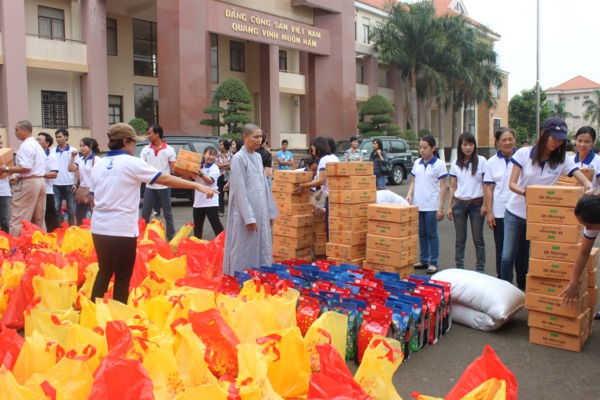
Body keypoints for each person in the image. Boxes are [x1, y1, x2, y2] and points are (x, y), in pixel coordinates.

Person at [89, 123, 216, 304]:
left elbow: (92, 197)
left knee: (104, 271)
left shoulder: (99, 164)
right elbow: (164, 178)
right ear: (125, 142)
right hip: (122, 229)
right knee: (123, 276)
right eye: (133, 142)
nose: (135, 145)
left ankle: (94, 312)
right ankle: (118, 315)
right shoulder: (131, 162)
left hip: (99, 227)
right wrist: (196, 185)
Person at [500, 118, 593, 289]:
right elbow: (511, 184)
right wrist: (527, 193)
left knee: (534, 256)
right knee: (508, 255)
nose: (558, 143)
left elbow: (582, 178)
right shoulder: (524, 153)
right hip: (515, 213)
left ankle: (526, 289)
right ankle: (505, 290)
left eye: (561, 140)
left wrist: (589, 187)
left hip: (540, 217)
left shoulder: (562, 160)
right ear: (543, 134)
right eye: (554, 138)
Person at [223, 124, 279, 275]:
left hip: (261, 210)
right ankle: (239, 278)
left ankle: (259, 275)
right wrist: (248, 217)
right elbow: (239, 190)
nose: (259, 140)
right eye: (255, 137)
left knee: (262, 244)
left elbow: (264, 185)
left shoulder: (258, 157)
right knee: (244, 247)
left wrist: (270, 212)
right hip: (245, 213)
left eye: (260, 137)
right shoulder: (238, 159)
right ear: (245, 137)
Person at [484, 127, 526, 279]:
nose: (508, 143)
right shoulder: (491, 163)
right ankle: (503, 280)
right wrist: (490, 212)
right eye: (504, 140)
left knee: (523, 248)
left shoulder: (524, 159)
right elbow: (489, 189)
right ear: (497, 142)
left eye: (510, 139)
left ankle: (523, 280)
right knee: (502, 249)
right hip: (500, 212)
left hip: (522, 211)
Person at [406, 135, 447, 274]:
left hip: (432, 205)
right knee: (422, 233)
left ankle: (433, 262)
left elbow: (443, 187)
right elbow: (413, 181)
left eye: (425, 148)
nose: (422, 150)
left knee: (432, 233)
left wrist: (441, 208)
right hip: (419, 204)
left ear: (433, 148)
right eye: (420, 148)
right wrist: (409, 194)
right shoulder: (417, 162)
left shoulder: (439, 164)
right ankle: (423, 260)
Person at [447, 132, 487, 272]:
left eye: (471, 144)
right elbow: (453, 187)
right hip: (459, 205)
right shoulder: (455, 164)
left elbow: (485, 185)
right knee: (460, 239)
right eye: (465, 144)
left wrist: (485, 205)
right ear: (460, 146)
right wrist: (449, 207)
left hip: (477, 204)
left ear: (475, 145)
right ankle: (459, 269)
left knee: (478, 239)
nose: (468, 147)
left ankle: (480, 269)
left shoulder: (482, 161)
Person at [0, 121, 47, 236]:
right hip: (40, 181)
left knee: (19, 216)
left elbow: (26, 167)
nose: (15, 133)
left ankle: (15, 243)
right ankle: (40, 242)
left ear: (25, 131)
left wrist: (6, 169)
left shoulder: (26, 146)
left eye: (17, 130)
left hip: (29, 182)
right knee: (38, 218)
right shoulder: (37, 145)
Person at [559, 195, 600, 320]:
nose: (587, 229)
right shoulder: (593, 221)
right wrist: (574, 282)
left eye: (588, 225)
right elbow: (584, 252)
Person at [294, 136, 339, 236]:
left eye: (313, 150)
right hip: (337, 197)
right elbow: (329, 181)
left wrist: (304, 185)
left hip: (331, 200)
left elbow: (322, 180)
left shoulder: (324, 159)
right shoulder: (334, 158)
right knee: (335, 230)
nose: (313, 153)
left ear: (319, 148)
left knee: (329, 230)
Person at [139, 124, 177, 241]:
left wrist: (185, 171)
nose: (148, 136)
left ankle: (171, 239)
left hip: (164, 187)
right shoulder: (145, 150)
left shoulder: (169, 150)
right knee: (145, 215)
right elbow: (141, 167)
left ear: (157, 134)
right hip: (150, 186)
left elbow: (173, 169)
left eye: (149, 133)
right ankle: (143, 238)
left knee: (168, 215)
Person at [193, 146, 224, 239]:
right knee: (197, 227)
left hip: (210, 201)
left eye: (214, 155)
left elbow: (210, 181)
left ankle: (223, 243)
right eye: (209, 154)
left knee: (216, 225)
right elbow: (188, 177)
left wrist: (201, 173)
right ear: (204, 154)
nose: (211, 157)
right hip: (198, 202)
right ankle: (197, 244)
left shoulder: (215, 168)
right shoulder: (198, 166)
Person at [68, 137, 99, 225]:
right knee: (80, 215)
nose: (82, 148)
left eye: (84, 146)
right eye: (80, 146)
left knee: (94, 214)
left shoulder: (96, 159)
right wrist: (72, 157)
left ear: (90, 146)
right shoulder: (80, 159)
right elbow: (71, 169)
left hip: (93, 191)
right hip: (82, 190)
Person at [53, 128, 76, 226]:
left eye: (60, 137)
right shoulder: (53, 151)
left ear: (66, 137)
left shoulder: (73, 151)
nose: (58, 139)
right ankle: (58, 228)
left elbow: (77, 168)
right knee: (56, 208)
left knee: (71, 209)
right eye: (56, 137)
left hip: (69, 183)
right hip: (56, 184)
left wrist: (75, 183)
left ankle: (71, 228)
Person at [37, 132, 59, 232]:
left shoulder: (52, 156)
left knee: (50, 214)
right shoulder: (35, 155)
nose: (37, 142)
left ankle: (54, 234)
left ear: (47, 143)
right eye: (37, 139)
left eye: (40, 140)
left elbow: (54, 174)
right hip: (35, 190)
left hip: (47, 190)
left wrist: (39, 174)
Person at [572, 126, 600, 191]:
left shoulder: (598, 161)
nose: (582, 145)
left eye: (587, 142)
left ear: (593, 142)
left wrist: (592, 195)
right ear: (575, 140)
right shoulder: (569, 160)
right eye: (579, 141)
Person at [216, 139, 231, 217]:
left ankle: (231, 211)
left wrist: (222, 165)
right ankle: (220, 211)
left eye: (221, 145)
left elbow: (232, 164)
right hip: (220, 176)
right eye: (219, 145)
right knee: (220, 194)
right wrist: (227, 165)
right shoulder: (218, 154)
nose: (220, 146)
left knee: (230, 194)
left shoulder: (230, 154)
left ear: (225, 146)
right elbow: (217, 165)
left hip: (229, 176)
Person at [0, 136, 12, 233]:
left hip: (4, 192)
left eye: (1, 143)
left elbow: (11, 172)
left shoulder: (6, 156)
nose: (0, 146)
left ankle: (6, 240)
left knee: (5, 220)